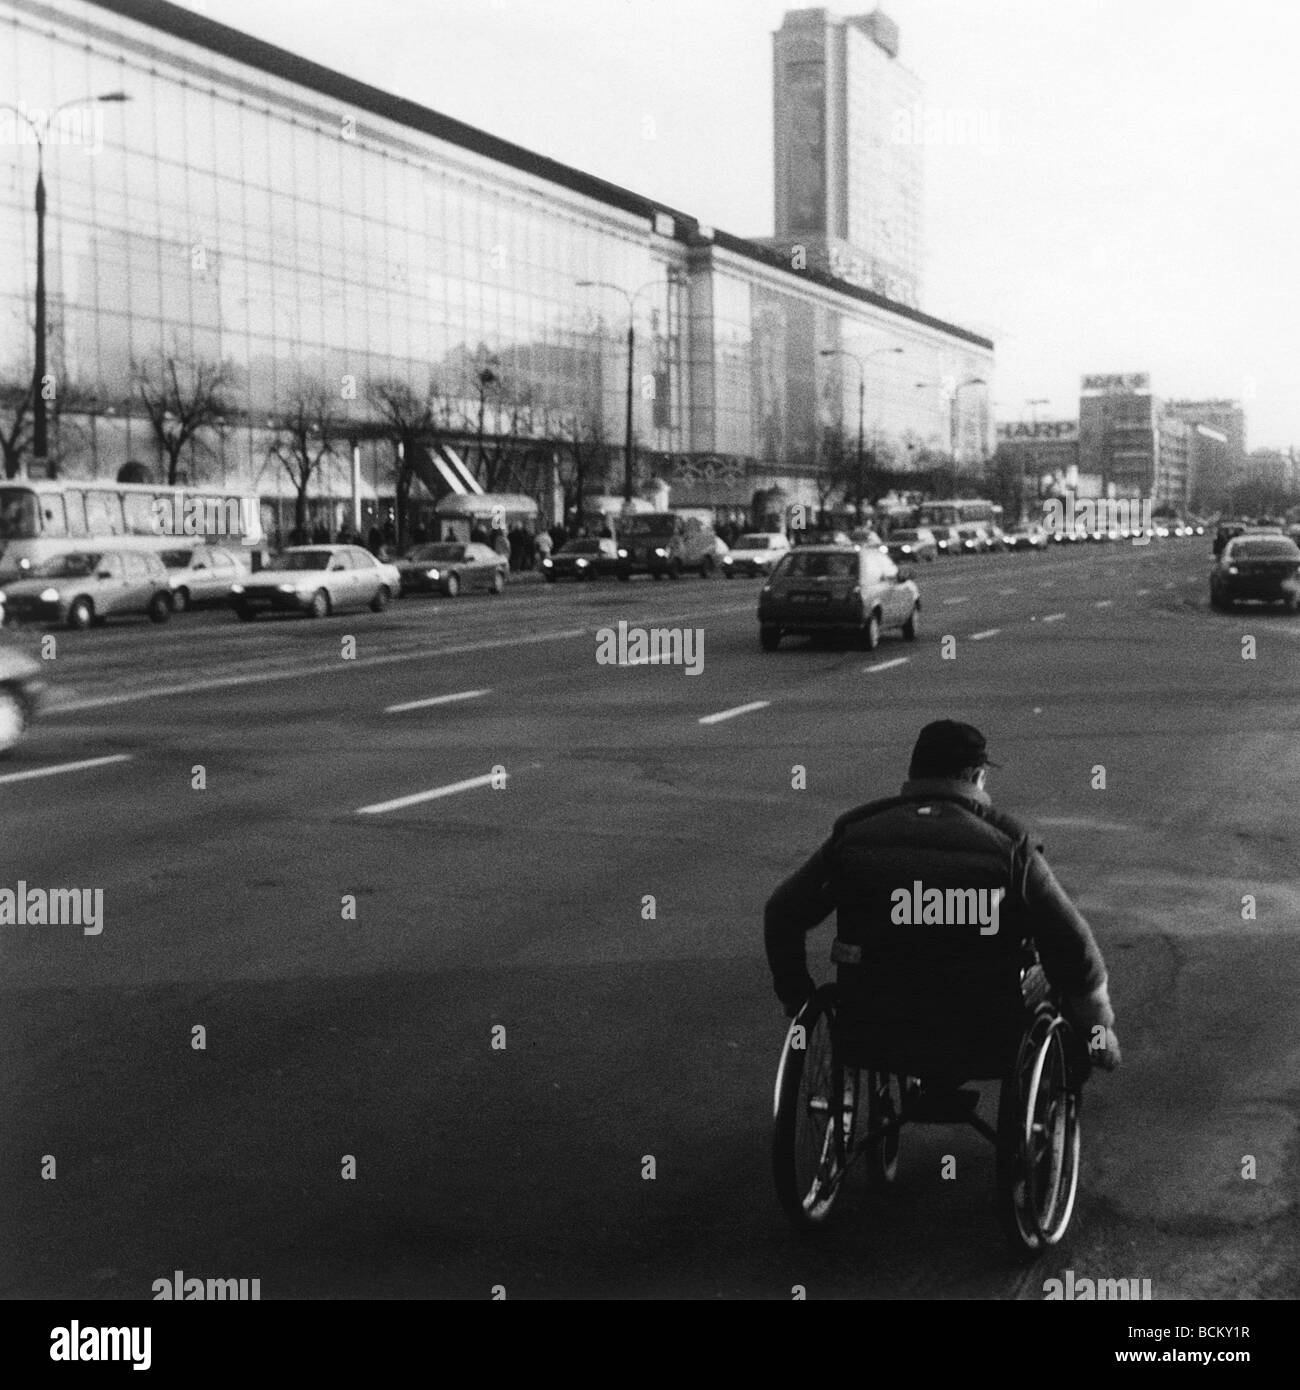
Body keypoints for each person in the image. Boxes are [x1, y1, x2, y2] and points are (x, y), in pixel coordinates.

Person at [764, 720, 1121, 1074]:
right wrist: (1097, 1024)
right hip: (982, 1028)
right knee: (1060, 975)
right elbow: (1073, 943)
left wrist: (797, 996)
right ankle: (1077, 1075)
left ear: (914, 772)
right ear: (977, 776)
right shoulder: (1011, 845)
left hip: (873, 1023)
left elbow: (783, 911)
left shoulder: (854, 835)